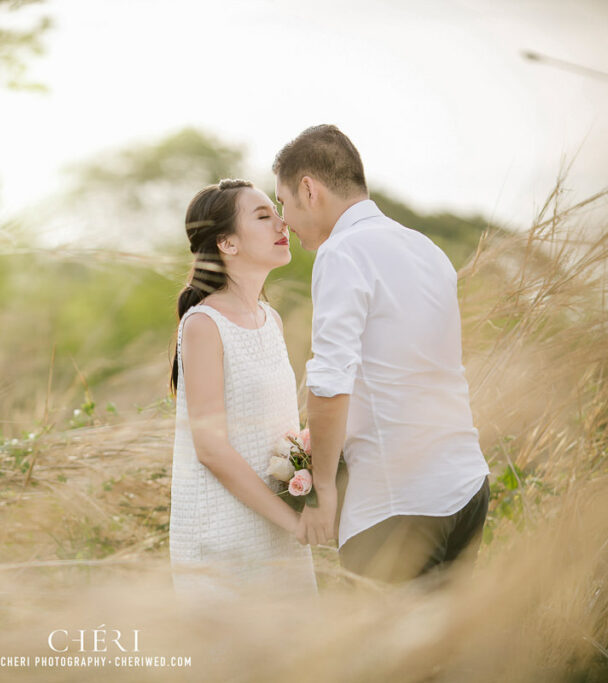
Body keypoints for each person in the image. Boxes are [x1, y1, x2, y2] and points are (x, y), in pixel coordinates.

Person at [272, 124, 490, 583]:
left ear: (309, 190)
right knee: (447, 648)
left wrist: (323, 490)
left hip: (399, 504)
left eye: (283, 202)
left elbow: (330, 381)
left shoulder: (343, 252)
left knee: (390, 653)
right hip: (465, 485)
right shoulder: (427, 250)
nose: (283, 220)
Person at [169, 178, 317, 600]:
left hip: (278, 527)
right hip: (223, 533)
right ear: (227, 244)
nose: (281, 222)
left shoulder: (271, 320)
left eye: (277, 212)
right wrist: (291, 523)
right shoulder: (203, 325)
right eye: (262, 216)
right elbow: (211, 449)